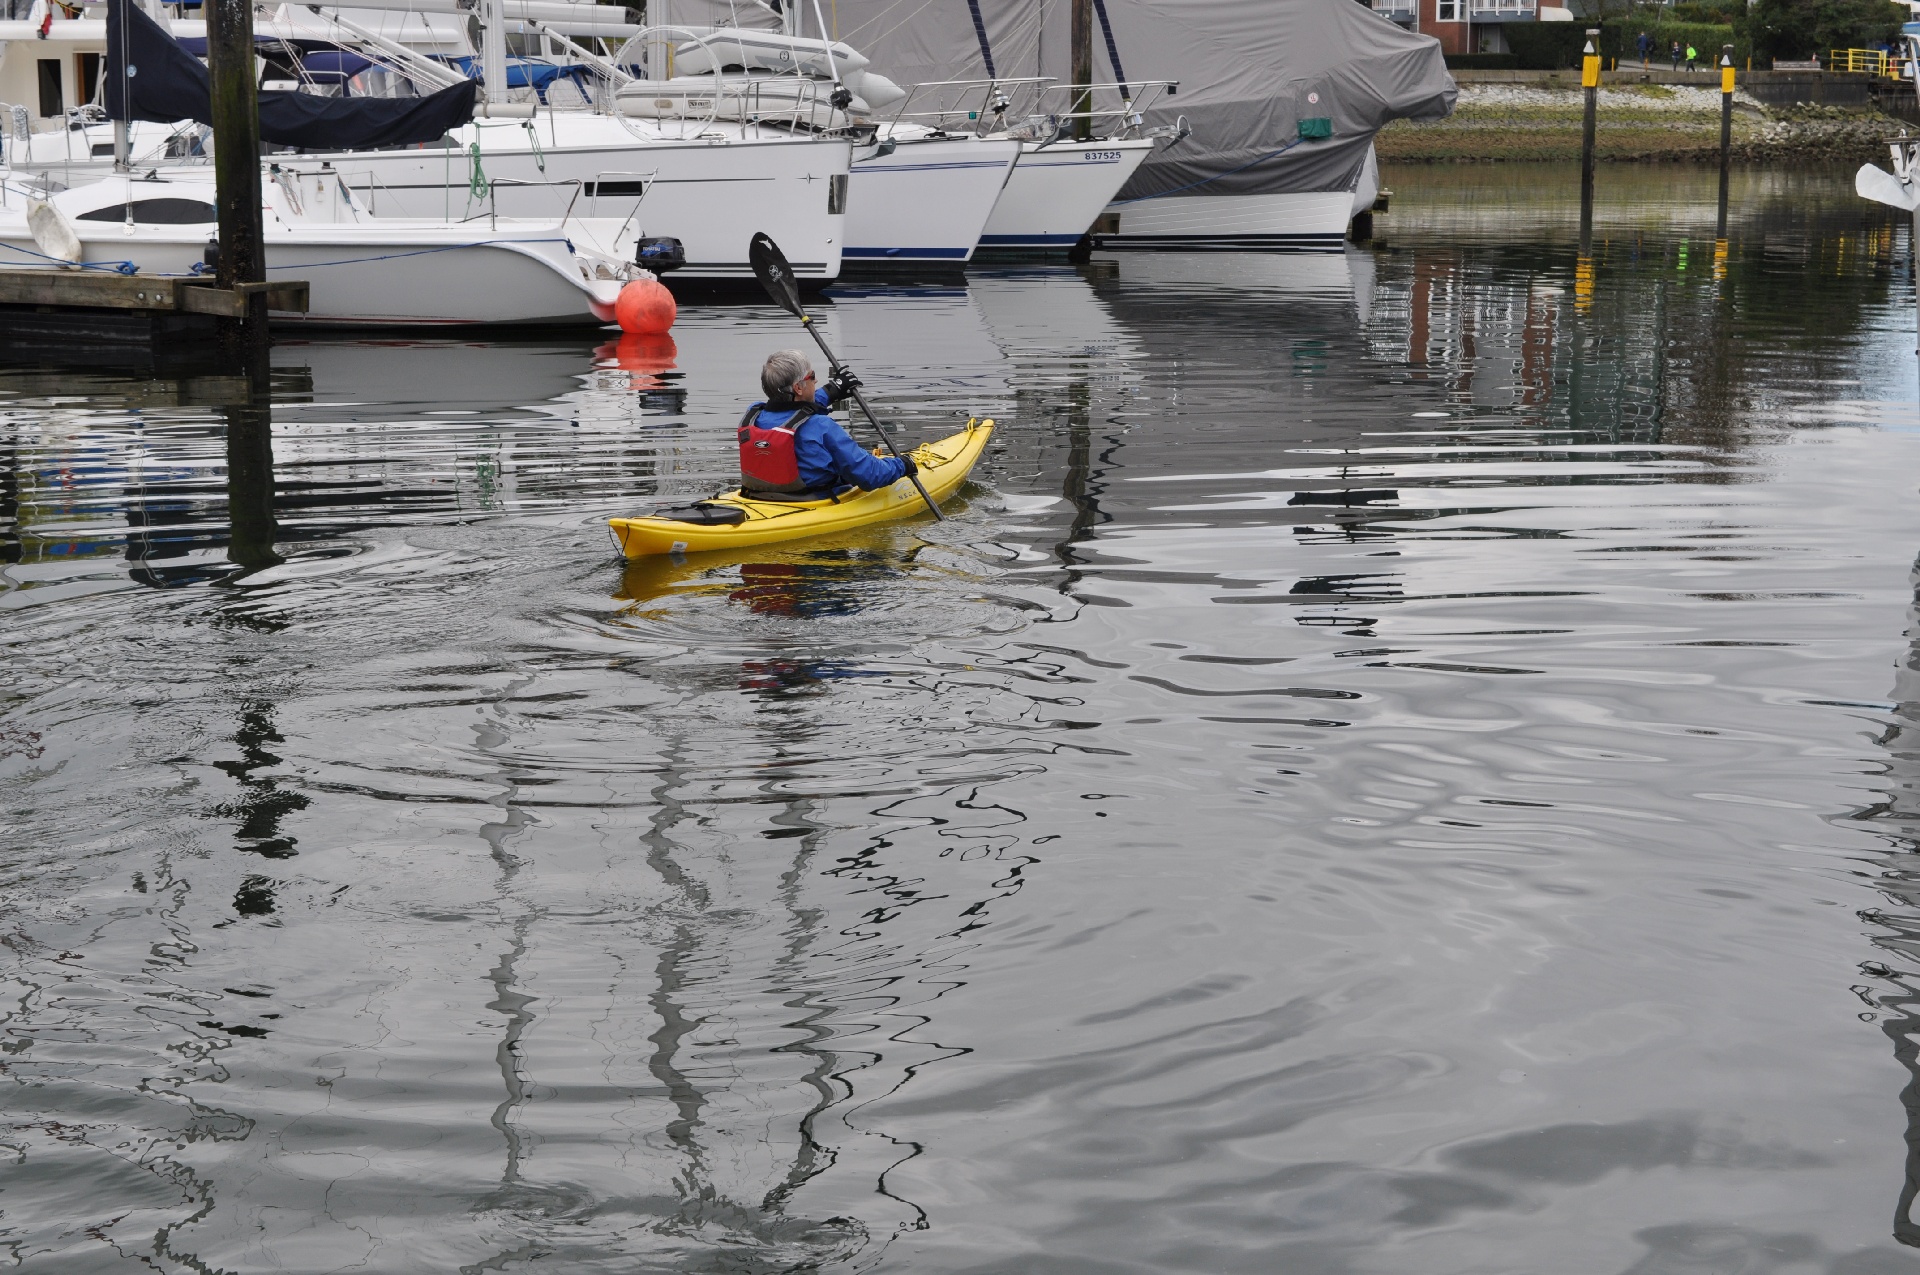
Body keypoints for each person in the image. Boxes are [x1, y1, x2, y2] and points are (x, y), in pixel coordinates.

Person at [738, 349, 915, 500]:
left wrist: (832, 390)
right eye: (812, 376)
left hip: (759, 498)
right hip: (813, 501)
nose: (815, 381)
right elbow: (869, 475)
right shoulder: (822, 427)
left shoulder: (753, 416)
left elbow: (793, 412)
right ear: (798, 388)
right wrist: (903, 465)